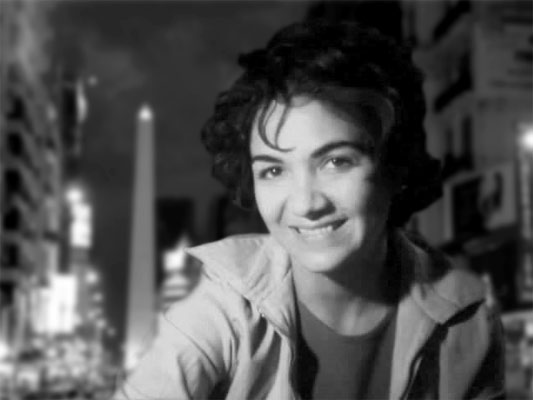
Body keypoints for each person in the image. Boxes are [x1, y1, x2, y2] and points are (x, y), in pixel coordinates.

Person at [113, 19, 505, 400]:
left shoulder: (468, 318)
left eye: (336, 162)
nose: (305, 203)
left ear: (393, 167)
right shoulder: (219, 310)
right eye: (273, 170)